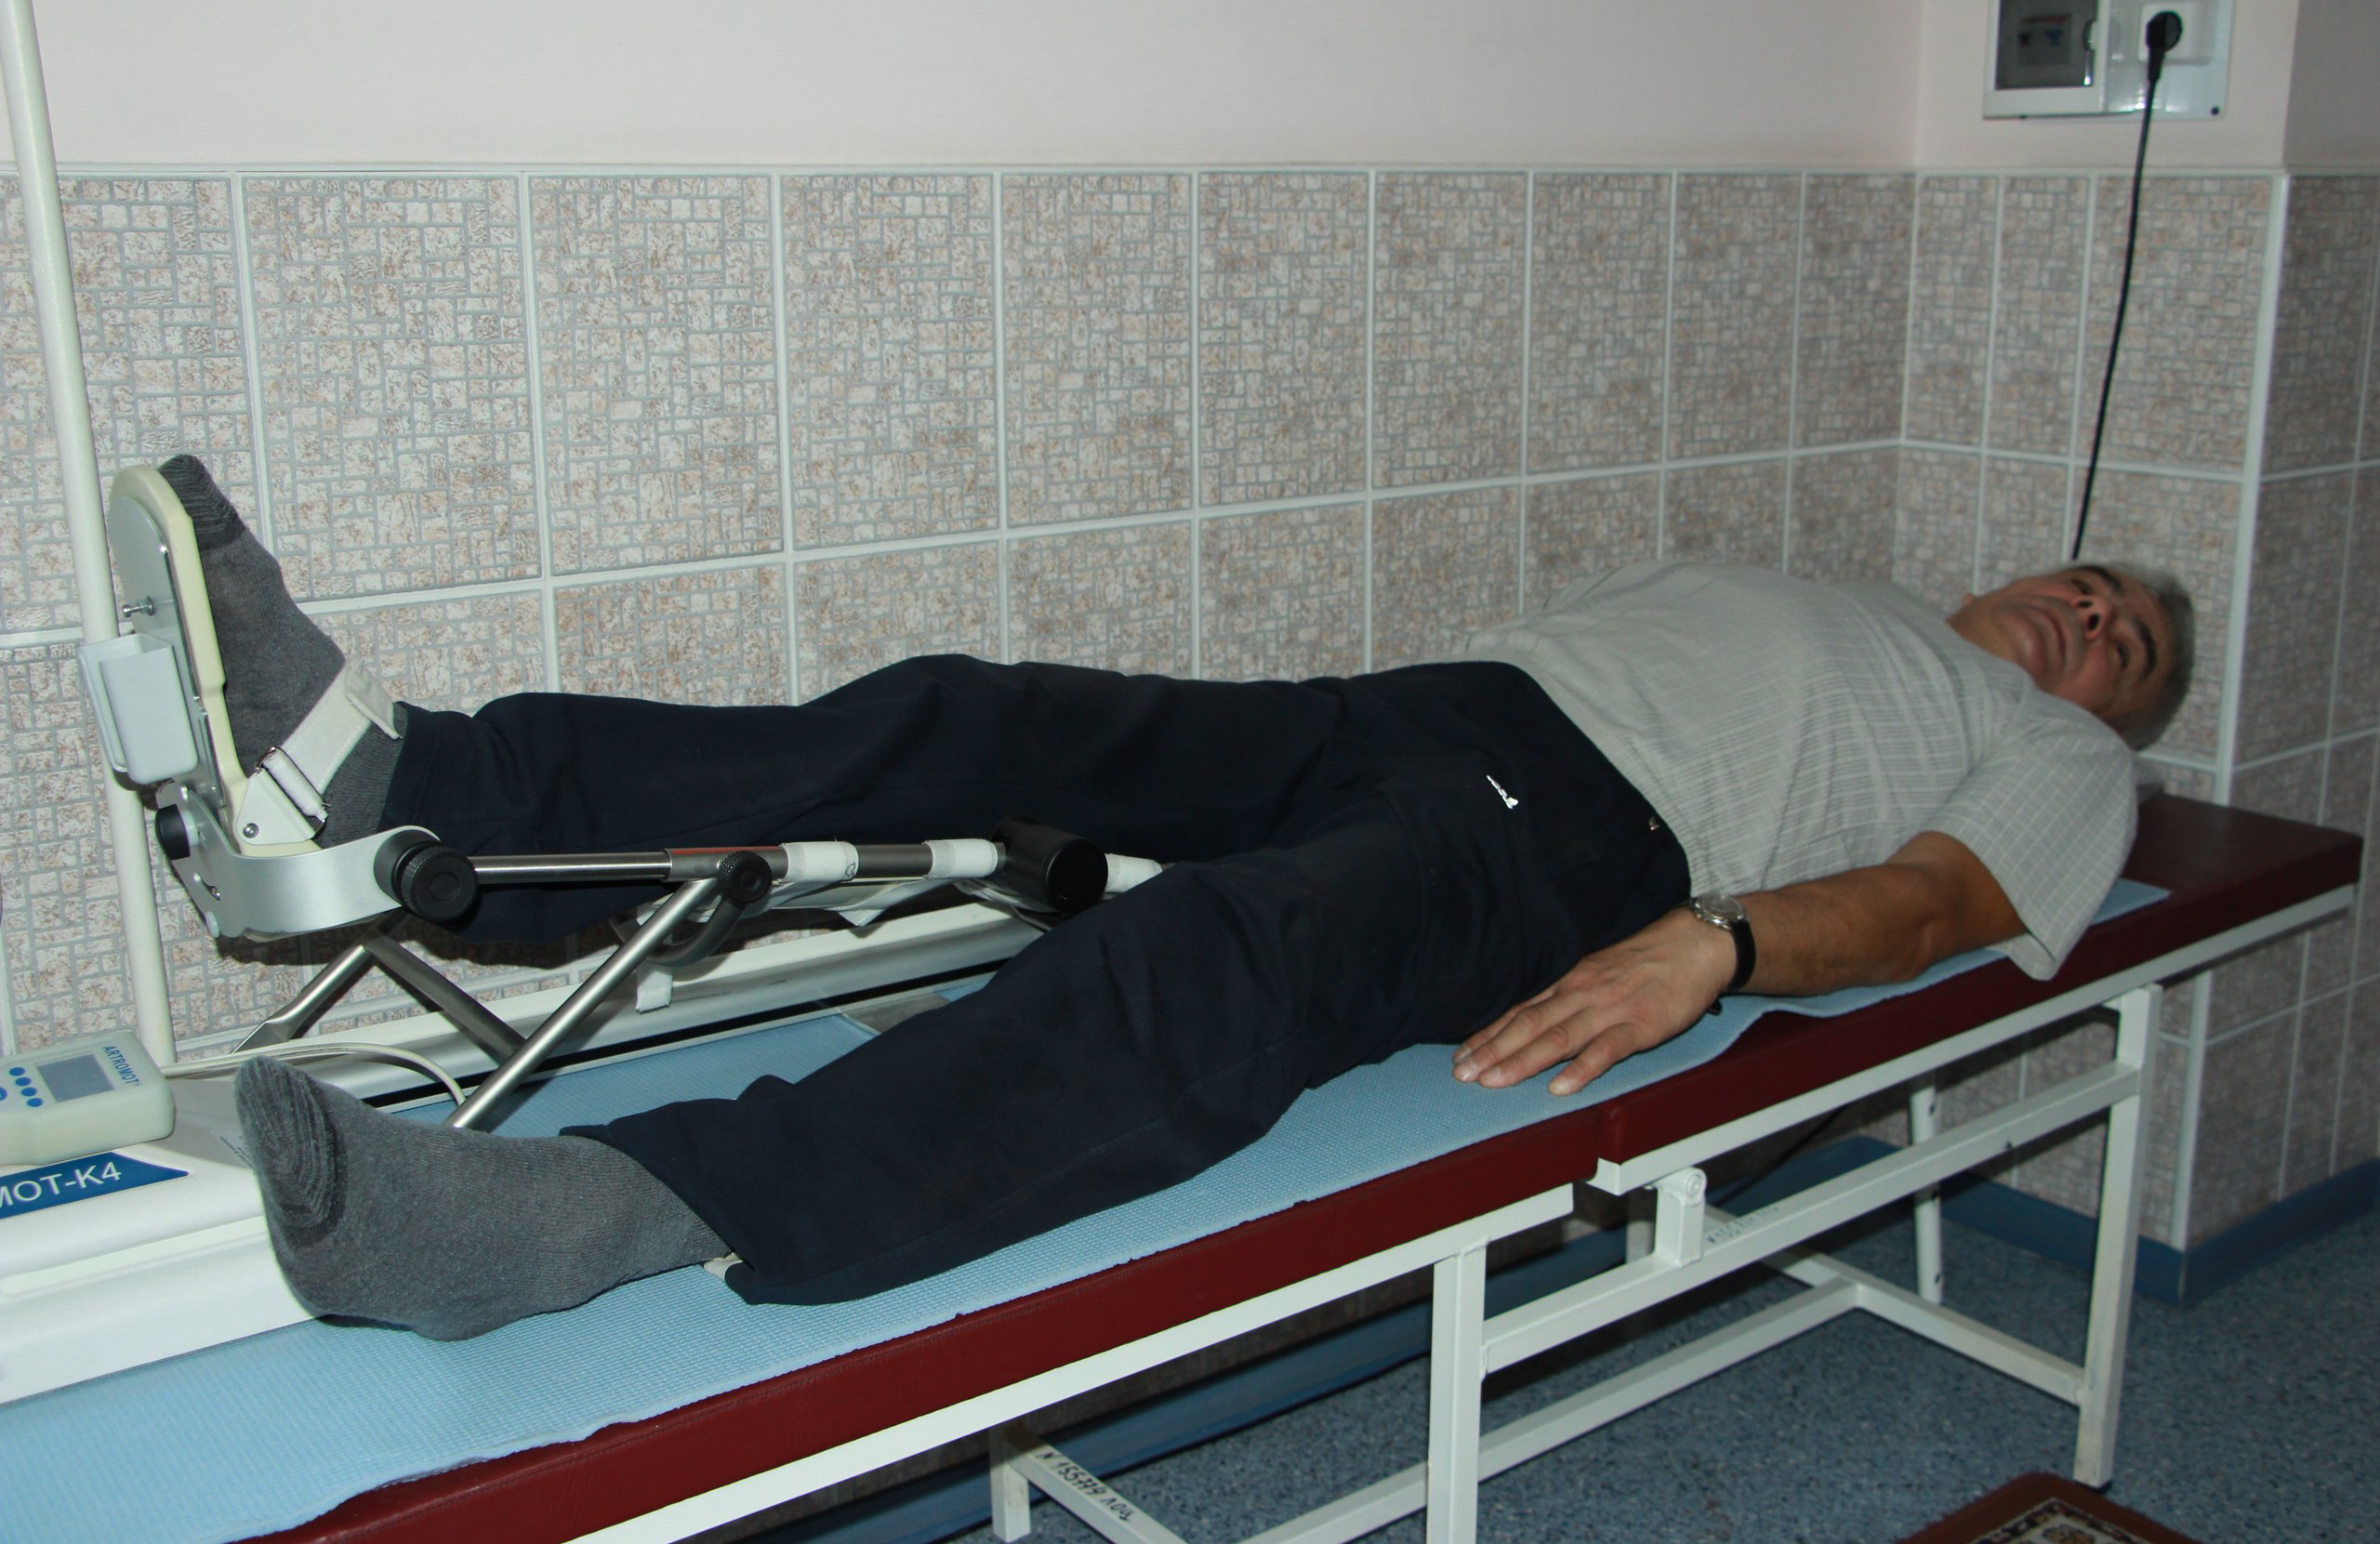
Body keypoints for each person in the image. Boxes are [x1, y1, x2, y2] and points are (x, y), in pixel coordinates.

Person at [153, 455, 2189, 1340]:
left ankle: (582, 1214)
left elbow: (1931, 906)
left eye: (2124, 643)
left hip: (1585, 840)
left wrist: (1714, 945)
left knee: (1223, 961)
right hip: (1417, 712)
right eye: (2086, 583)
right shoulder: (1840, 594)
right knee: (973, 718)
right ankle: (419, 799)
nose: (2086, 619)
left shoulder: (2057, 755)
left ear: (2118, 711)